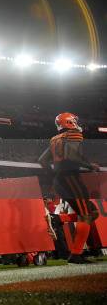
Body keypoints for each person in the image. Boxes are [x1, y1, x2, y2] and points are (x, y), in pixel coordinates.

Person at [38, 112, 101, 264]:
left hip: (60, 180)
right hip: (71, 179)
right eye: (74, 121)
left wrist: (54, 173)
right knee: (86, 214)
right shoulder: (73, 135)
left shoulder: (54, 139)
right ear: (69, 122)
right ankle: (76, 254)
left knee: (91, 212)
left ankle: (58, 219)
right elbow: (72, 157)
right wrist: (89, 166)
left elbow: (42, 160)